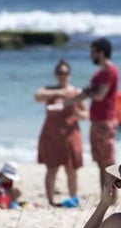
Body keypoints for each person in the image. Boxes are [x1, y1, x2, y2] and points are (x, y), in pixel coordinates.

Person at [61, 38, 120, 191]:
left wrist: (87, 92)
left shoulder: (110, 71)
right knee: (100, 163)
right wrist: (68, 102)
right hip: (96, 121)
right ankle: (105, 197)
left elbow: (99, 95)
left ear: (101, 53)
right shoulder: (98, 74)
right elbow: (89, 93)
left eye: (93, 52)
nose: (91, 55)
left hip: (106, 121)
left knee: (108, 163)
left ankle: (112, 198)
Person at [35, 59, 88, 208]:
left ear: (70, 74)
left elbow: (86, 115)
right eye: (59, 73)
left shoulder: (77, 93)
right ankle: (51, 201)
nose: (62, 76)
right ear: (55, 75)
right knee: (51, 168)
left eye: (65, 73)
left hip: (71, 134)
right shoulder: (49, 90)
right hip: (51, 135)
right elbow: (37, 96)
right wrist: (61, 92)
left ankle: (73, 199)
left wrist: (74, 108)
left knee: (72, 169)